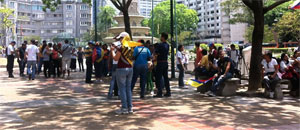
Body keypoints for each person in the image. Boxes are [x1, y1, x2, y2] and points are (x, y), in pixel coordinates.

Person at [111, 32, 133, 114]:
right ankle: (130, 108)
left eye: (120, 38)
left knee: (122, 89)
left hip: (121, 69)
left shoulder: (121, 47)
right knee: (128, 88)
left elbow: (116, 58)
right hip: (130, 69)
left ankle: (124, 108)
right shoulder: (131, 47)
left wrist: (112, 51)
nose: (120, 40)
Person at [154, 32, 171, 98]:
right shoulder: (167, 45)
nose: (160, 38)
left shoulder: (160, 45)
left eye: (161, 36)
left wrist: (154, 58)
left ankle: (160, 92)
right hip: (165, 62)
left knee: (158, 77)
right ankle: (168, 91)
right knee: (166, 78)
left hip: (160, 62)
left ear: (163, 37)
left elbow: (156, 53)